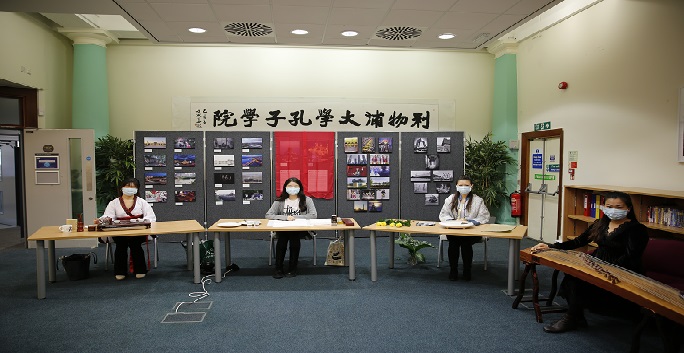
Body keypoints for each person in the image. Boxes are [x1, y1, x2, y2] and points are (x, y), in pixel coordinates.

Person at [530, 191, 649, 333]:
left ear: (628, 209)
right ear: (604, 207)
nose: (613, 210)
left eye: (618, 207)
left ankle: (571, 318)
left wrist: (605, 270)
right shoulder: (601, 223)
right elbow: (578, 241)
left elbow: (631, 256)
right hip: (597, 262)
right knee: (571, 278)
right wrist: (550, 246)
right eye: (609, 206)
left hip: (621, 268)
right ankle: (575, 317)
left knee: (579, 282)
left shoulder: (637, 229)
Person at [96, 177, 156, 281]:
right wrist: (101, 220)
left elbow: (151, 217)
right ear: (122, 188)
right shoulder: (113, 203)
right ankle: (120, 271)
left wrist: (141, 222)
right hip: (120, 231)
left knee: (135, 244)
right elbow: (108, 216)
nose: (130, 189)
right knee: (120, 245)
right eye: (128, 186)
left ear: (137, 189)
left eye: (133, 187)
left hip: (138, 231)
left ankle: (140, 270)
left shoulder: (142, 202)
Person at [439, 175, 490, 281]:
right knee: (454, 242)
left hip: (472, 232)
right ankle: (453, 270)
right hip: (454, 230)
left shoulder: (477, 200)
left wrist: (469, 222)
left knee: (465, 241)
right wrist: (454, 222)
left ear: (471, 186)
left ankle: (467, 270)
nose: (463, 187)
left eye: (466, 185)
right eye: (461, 185)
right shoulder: (450, 199)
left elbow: (484, 216)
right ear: (457, 186)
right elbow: (443, 214)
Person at [265, 177, 317, 279]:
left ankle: (292, 267)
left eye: (295, 186)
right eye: (290, 186)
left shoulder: (307, 200)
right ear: (285, 188)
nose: (292, 188)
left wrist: (295, 218)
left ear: (300, 188)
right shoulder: (280, 201)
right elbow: (268, 215)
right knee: (284, 236)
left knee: (293, 235)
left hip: (301, 230)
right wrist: (285, 218)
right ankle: (279, 268)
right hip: (283, 229)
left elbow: (313, 215)